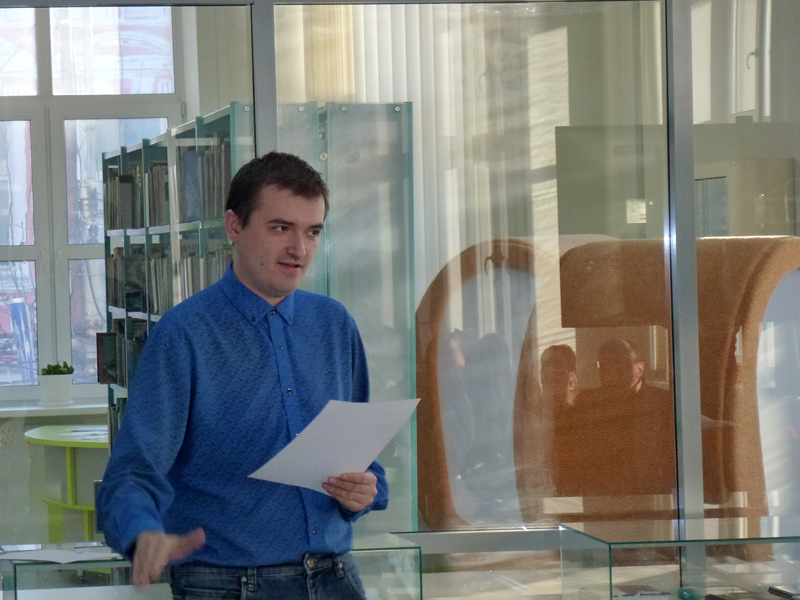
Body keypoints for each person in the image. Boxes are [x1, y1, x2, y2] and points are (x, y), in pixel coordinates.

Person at [97, 151, 389, 599]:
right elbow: (133, 472)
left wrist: (364, 490)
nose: (300, 250)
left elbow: (364, 460)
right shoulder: (183, 334)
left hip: (336, 577)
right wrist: (142, 533)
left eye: (312, 232)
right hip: (228, 585)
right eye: (281, 228)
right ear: (234, 226)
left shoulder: (335, 325)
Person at [540, 344, 579, 409]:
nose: (550, 373)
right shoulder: (531, 409)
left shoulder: (586, 407)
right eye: (545, 365)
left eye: (557, 366)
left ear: (572, 375)